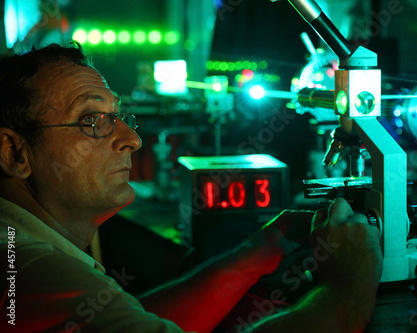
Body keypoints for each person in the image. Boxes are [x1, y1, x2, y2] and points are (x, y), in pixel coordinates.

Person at [0, 43, 382, 333]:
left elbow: (133, 321)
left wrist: (257, 253)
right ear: (14, 151)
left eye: (119, 116)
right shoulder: (32, 274)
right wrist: (350, 286)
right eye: (92, 120)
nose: (132, 139)